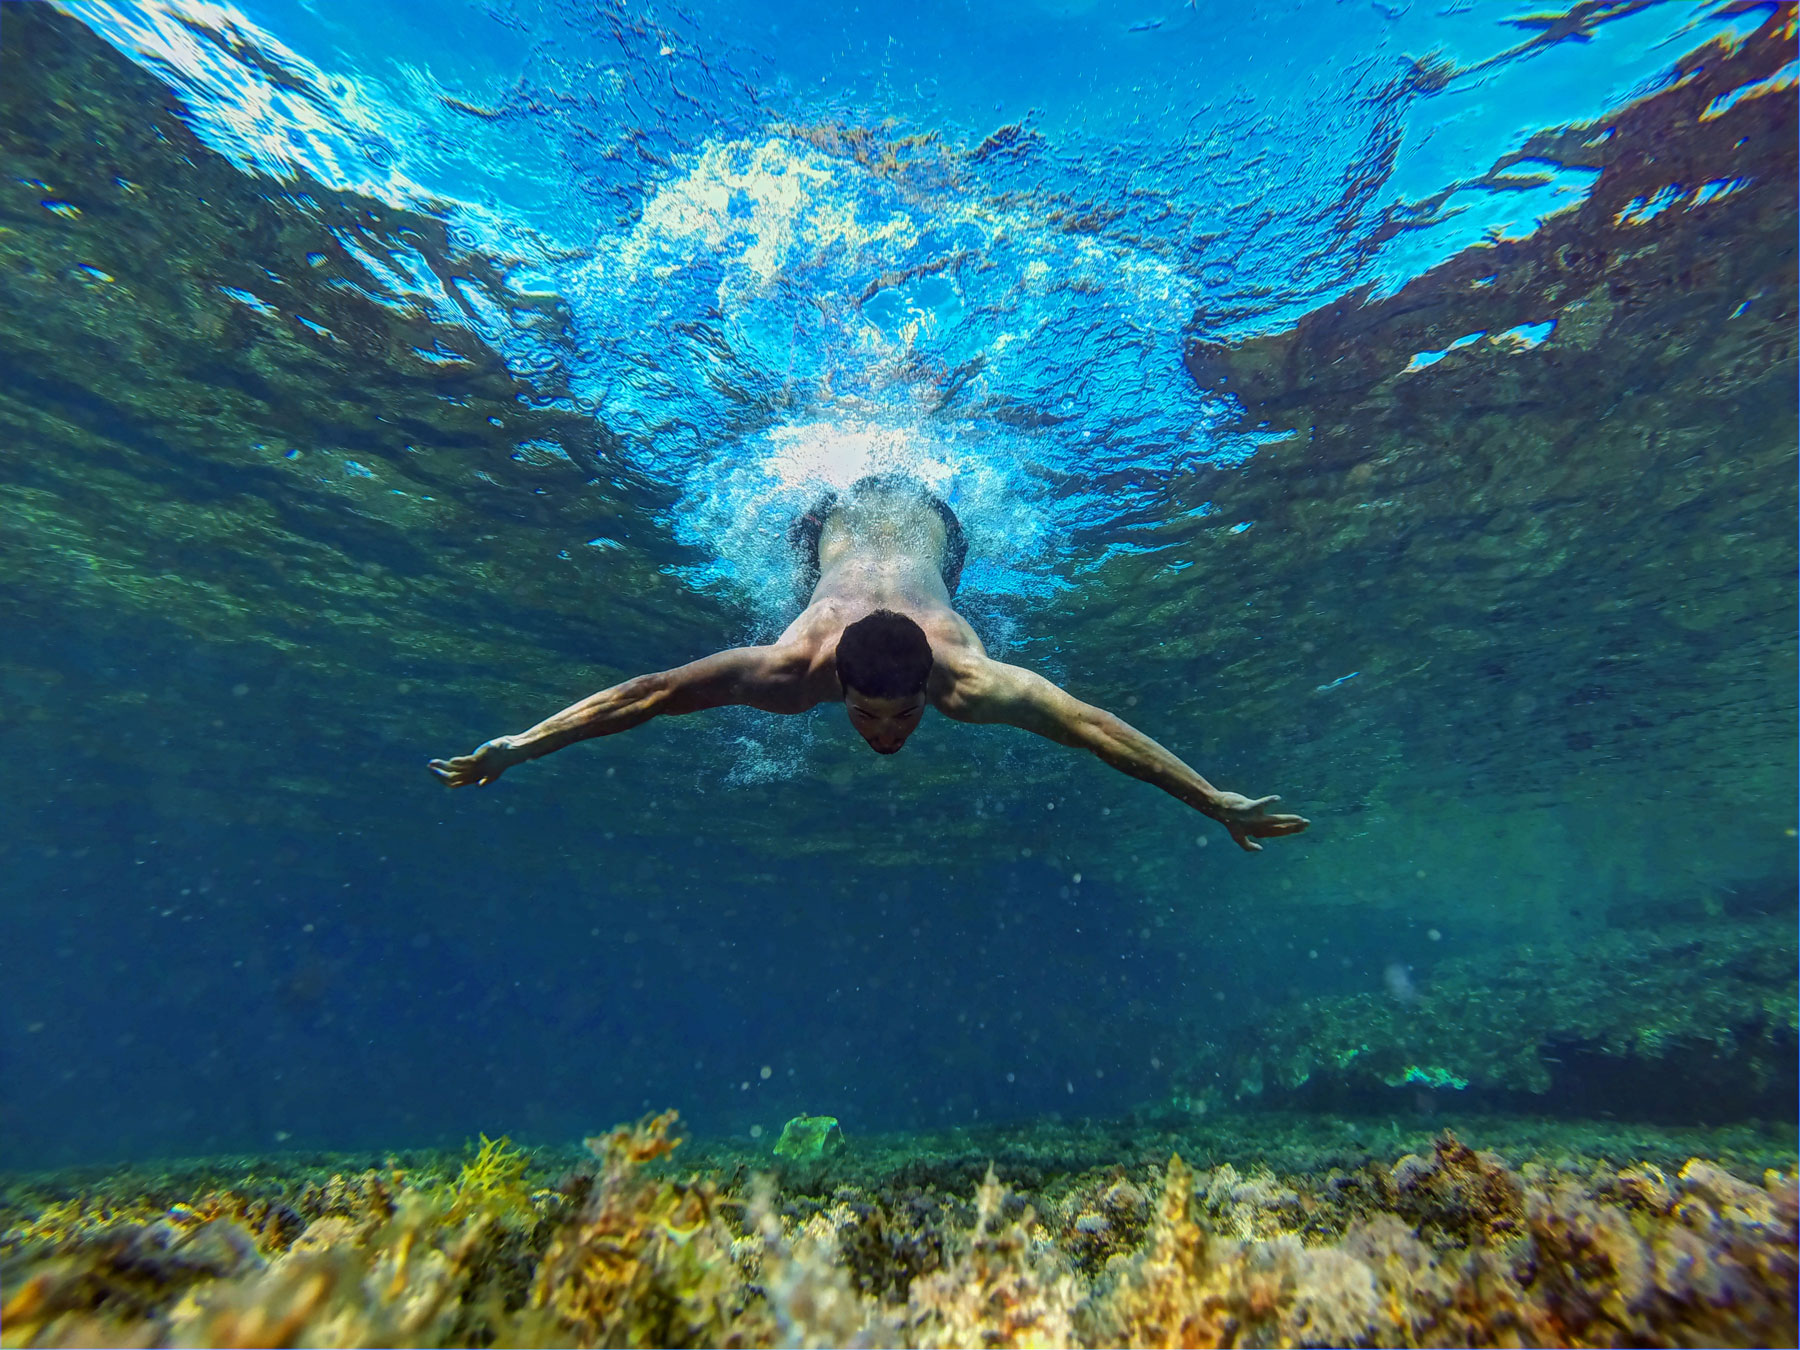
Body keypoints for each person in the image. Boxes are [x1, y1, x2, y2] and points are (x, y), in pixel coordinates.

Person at [429, 475, 1309, 852]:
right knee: (820, 539)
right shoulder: (790, 668)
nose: (886, 733)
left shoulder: (964, 677)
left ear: (928, 687)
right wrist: (521, 743)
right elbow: (647, 694)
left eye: (899, 717)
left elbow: (1093, 729)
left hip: (935, 526)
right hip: (830, 529)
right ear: (835, 685)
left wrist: (1209, 798)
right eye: (869, 715)